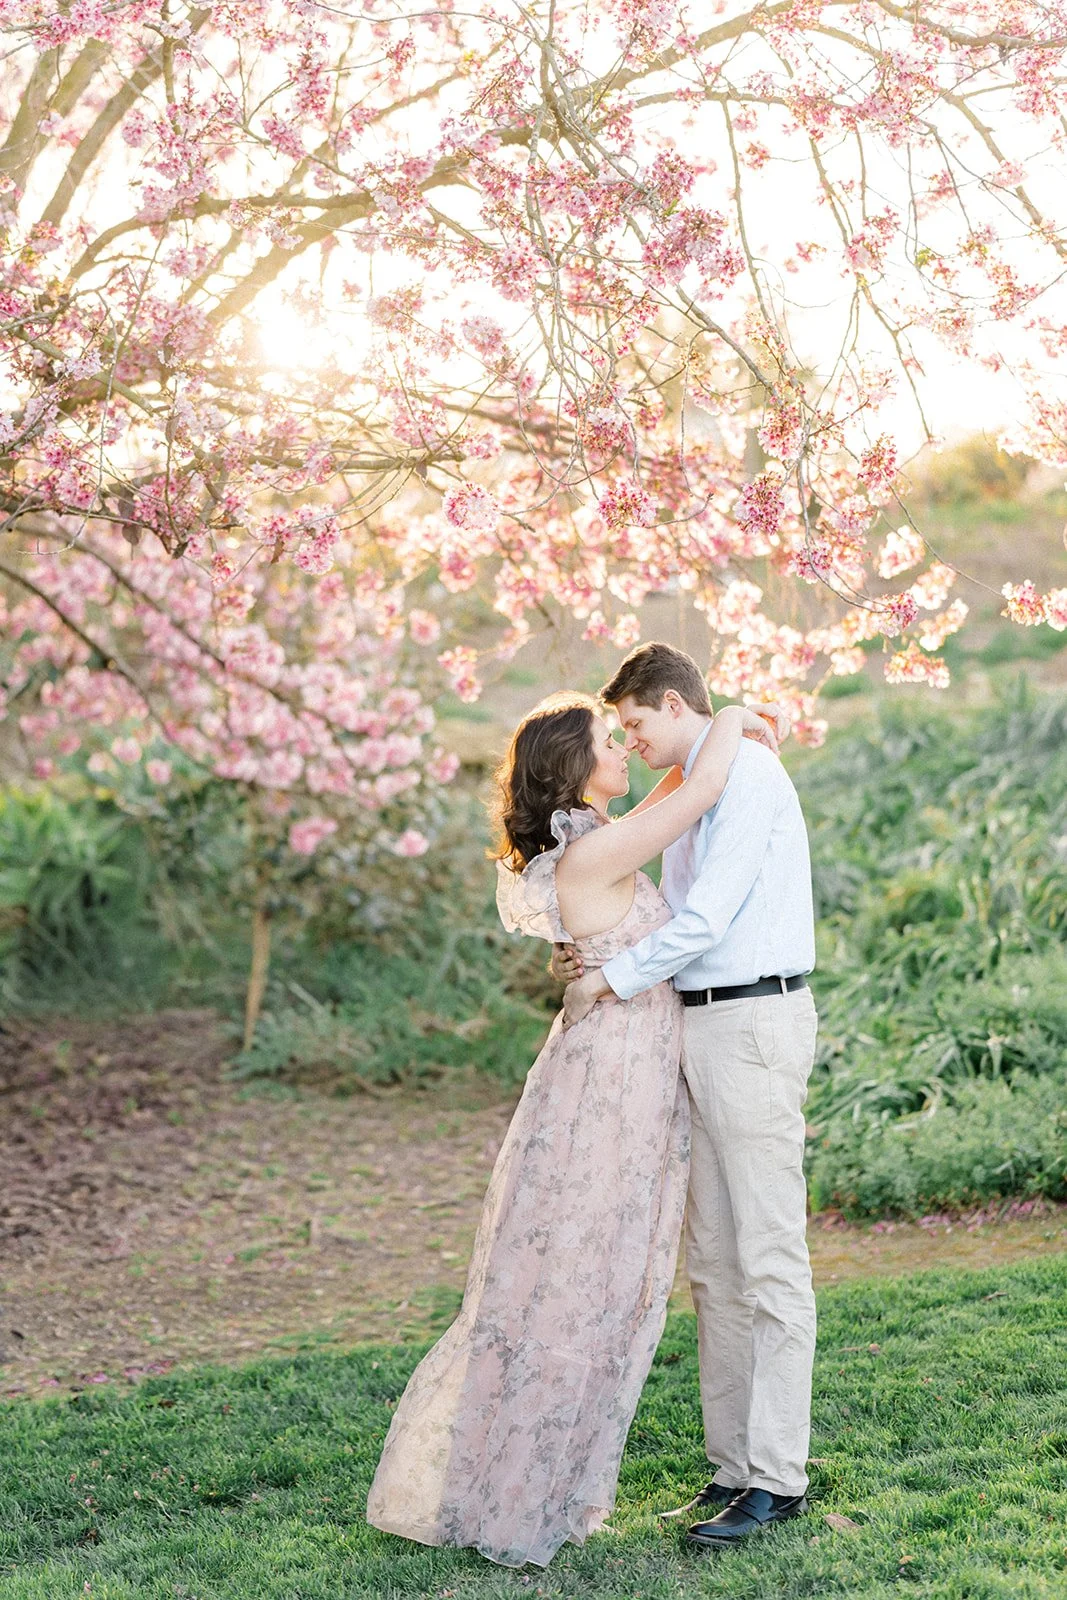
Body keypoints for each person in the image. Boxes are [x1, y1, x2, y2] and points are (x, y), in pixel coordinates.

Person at [365, 689, 784, 1569]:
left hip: (611, 1063)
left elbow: (609, 917)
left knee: (575, 1272)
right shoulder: (592, 850)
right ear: (573, 768)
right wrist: (734, 717)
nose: (624, 749)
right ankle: (521, 1486)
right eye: (609, 740)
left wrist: (589, 965)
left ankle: (524, 1474)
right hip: (613, 1077)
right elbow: (699, 794)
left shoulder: (577, 855)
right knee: (582, 1277)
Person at [559, 641, 818, 1552]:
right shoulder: (693, 784)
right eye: (618, 731)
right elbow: (665, 912)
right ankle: (732, 1464)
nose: (629, 742)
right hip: (693, 1023)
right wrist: (596, 954)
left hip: (752, 1023)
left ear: (672, 705)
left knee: (769, 1255)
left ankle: (778, 1478)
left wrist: (606, 983)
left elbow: (709, 918)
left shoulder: (744, 774)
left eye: (634, 724)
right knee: (712, 1261)